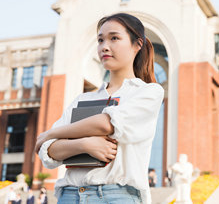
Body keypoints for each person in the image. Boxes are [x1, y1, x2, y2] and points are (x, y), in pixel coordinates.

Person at [35, 13, 164, 204]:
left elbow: (107, 123)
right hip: (70, 195)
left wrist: (51, 133)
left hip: (116, 196)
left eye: (114, 38)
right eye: (100, 40)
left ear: (137, 45)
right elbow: (47, 151)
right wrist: (84, 145)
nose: (104, 46)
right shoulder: (83, 98)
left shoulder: (148, 92)